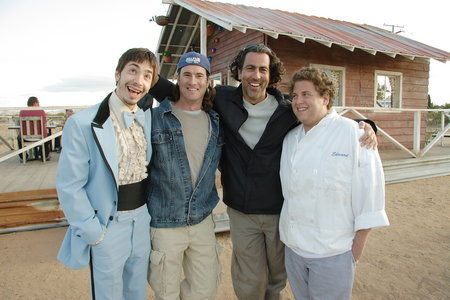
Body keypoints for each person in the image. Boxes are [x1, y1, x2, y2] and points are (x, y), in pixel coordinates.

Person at [148, 44, 377, 299]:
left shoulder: (287, 108)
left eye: (262, 69)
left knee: (276, 277)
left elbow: (319, 114)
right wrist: (147, 75)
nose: (255, 75)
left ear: (271, 74)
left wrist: (363, 125)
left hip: (278, 210)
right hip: (242, 208)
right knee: (249, 280)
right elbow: (181, 91)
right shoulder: (221, 99)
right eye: (249, 68)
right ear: (240, 71)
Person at [279, 67, 389, 299]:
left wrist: (353, 254)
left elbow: (370, 196)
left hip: (333, 252)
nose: (298, 101)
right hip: (294, 249)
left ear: (326, 98)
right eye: (295, 96)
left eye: (306, 94)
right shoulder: (290, 139)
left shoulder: (354, 134)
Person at [56, 48, 158, 299]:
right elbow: (69, 186)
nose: (138, 81)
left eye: (147, 76)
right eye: (132, 70)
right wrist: (94, 232)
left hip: (142, 220)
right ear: (117, 74)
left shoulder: (146, 117)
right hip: (107, 226)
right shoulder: (82, 123)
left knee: (136, 292)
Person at [147, 52, 223, 300]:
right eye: (187, 75)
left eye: (199, 75)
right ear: (177, 78)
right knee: (166, 293)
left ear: (208, 81)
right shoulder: (155, 118)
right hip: (165, 222)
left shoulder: (215, 121)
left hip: (202, 219)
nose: (193, 81)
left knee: (204, 290)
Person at [18, 96, 50, 160]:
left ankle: (23, 156)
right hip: (40, 137)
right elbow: (44, 124)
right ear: (35, 103)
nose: (39, 104)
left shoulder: (22, 111)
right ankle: (43, 155)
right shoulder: (41, 111)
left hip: (25, 138)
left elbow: (20, 124)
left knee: (18, 138)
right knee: (48, 136)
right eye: (38, 103)